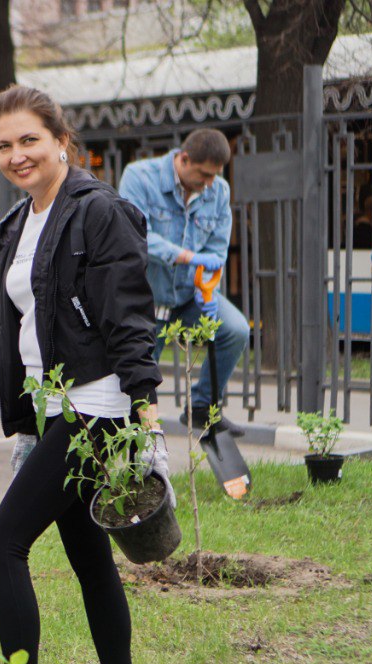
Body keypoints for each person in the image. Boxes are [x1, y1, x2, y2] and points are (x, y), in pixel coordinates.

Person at [0, 86, 164, 664]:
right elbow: (22, 329)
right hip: (54, 410)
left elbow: (129, 312)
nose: (16, 155)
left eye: (28, 140)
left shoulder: (99, 213)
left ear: (60, 139)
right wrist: (24, 422)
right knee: (90, 560)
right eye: (4, 145)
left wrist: (146, 414)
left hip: (94, 409)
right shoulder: (18, 221)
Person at [118, 128, 248, 436]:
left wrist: (208, 288)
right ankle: (139, 448)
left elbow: (216, 249)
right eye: (204, 175)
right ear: (184, 159)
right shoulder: (139, 177)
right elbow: (135, 235)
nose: (209, 184)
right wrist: (187, 257)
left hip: (191, 295)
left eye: (215, 176)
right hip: (146, 300)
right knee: (141, 380)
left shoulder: (218, 191)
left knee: (235, 330)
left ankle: (202, 408)